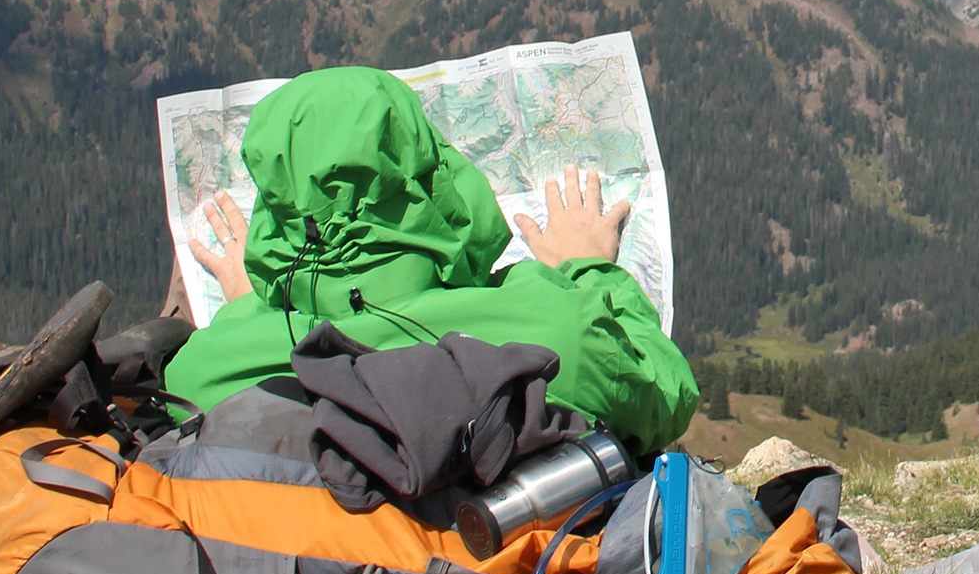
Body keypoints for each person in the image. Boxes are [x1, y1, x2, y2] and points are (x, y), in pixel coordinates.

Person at [163, 67, 696, 455]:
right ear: (433, 181)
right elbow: (665, 394)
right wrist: (588, 269)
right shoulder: (554, 339)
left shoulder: (199, 376)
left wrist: (248, 309)